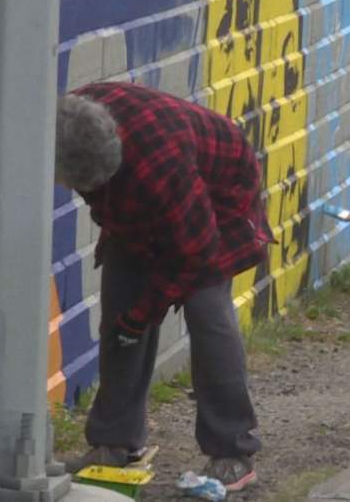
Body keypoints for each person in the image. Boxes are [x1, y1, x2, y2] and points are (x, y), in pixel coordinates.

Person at [54, 82, 267, 492]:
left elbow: (197, 253)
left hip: (216, 199)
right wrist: (129, 320)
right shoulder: (69, 120)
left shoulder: (161, 170)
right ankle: (114, 441)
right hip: (143, 196)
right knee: (120, 316)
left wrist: (142, 315)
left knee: (208, 314)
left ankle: (232, 451)